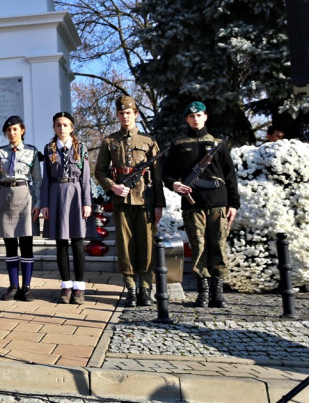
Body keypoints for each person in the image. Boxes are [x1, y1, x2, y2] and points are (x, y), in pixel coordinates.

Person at [162, 101, 241, 308]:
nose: (195, 119)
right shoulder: (179, 144)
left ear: (205, 117)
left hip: (218, 203)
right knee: (198, 247)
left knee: (218, 247)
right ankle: (203, 293)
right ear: (187, 119)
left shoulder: (218, 144)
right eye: (191, 116)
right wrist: (175, 184)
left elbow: (230, 175)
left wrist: (233, 204)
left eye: (199, 115)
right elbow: (167, 173)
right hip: (193, 205)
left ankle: (218, 294)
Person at [94, 95, 164, 307]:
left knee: (146, 245)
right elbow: (100, 171)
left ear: (136, 114)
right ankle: (131, 288)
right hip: (121, 200)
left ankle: (145, 288)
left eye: (128, 113)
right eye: (121, 113)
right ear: (117, 115)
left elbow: (158, 175)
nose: (125, 116)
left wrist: (159, 204)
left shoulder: (149, 142)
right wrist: (112, 186)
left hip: (144, 199)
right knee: (125, 246)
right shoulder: (109, 141)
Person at [40, 112, 92, 304]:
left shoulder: (81, 147)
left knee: (77, 243)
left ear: (71, 127)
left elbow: (85, 178)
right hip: (56, 195)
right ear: (54, 127)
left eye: (65, 125)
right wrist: (44, 204)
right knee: (61, 244)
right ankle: (66, 286)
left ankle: (79, 287)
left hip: (76, 195)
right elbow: (46, 178)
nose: (61, 128)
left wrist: (87, 202)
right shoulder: (48, 149)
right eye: (58, 125)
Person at [0, 115, 42, 301]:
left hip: (26, 197)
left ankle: (26, 287)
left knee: (26, 244)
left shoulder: (32, 152)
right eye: (8, 130)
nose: (12, 133)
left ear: (22, 130)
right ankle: (13, 285)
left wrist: (38, 203)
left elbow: (37, 180)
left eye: (15, 129)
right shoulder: (0, 153)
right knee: (10, 244)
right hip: (6, 197)